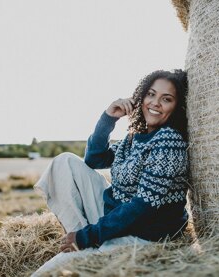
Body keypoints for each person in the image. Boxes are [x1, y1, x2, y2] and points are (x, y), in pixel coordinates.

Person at [34, 69, 189, 259]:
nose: (155, 102)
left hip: (147, 231)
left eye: (166, 99)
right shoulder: (134, 139)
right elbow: (94, 160)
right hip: (117, 214)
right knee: (64, 161)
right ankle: (80, 242)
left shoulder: (169, 141)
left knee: (58, 268)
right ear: (141, 98)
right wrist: (109, 118)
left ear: (176, 106)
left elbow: (143, 206)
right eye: (151, 94)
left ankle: (84, 245)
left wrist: (86, 236)